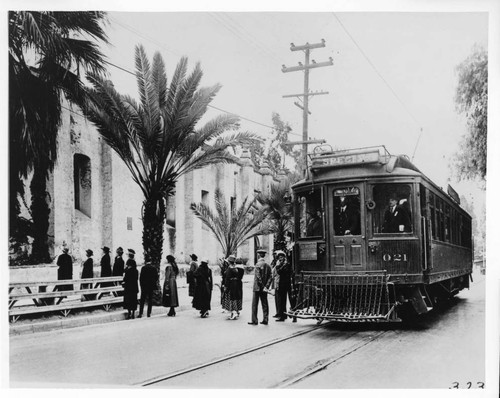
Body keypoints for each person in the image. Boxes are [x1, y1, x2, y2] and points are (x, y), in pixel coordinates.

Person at [248, 248, 272, 325]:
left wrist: (261, 285)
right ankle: (266, 319)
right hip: (264, 288)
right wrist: (266, 286)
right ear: (264, 256)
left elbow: (258, 277)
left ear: (258, 255)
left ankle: (254, 320)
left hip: (257, 287)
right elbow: (270, 277)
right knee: (265, 303)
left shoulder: (257, 265)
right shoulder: (268, 265)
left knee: (255, 304)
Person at [222, 255, 244, 320]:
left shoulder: (229, 269)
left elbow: (227, 279)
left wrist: (225, 286)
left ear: (229, 262)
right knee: (235, 298)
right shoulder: (235, 268)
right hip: (236, 284)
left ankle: (233, 312)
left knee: (231, 298)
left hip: (231, 285)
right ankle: (235, 311)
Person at [274, 250, 291, 322]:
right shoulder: (280, 265)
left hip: (286, 283)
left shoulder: (286, 264)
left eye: (282, 257)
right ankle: (282, 315)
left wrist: (281, 266)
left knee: (286, 299)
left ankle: (285, 315)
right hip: (281, 284)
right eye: (279, 257)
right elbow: (278, 272)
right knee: (281, 300)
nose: (280, 259)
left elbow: (283, 271)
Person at [123, 249, 139, 319]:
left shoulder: (128, 271)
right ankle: (133, 313)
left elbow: (125, 279)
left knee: (129, 301)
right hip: (134, 288)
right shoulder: (136, 271)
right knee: (133, 300)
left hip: (128, 288)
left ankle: (129, 313)